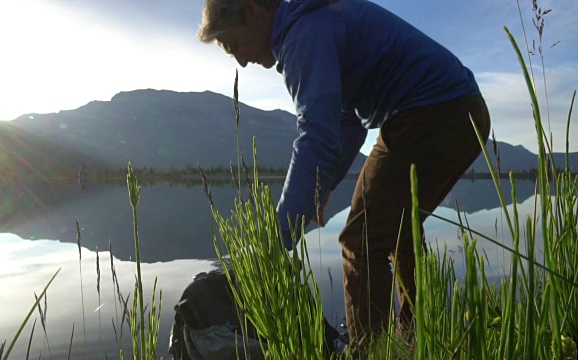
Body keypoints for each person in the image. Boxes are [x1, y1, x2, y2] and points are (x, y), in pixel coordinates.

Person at [197, 0, 491, 350]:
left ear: (255, 11)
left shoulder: (302, 35)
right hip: (459, 109)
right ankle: (415, 338)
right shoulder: (313, 24)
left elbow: (316, 137)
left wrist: (276, 244)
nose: (241, 60)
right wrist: (324, 187)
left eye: (233, 45)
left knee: (361, 240)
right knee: (397, 230)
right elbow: (347, 124)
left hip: (433, 112)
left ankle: (370, 351)